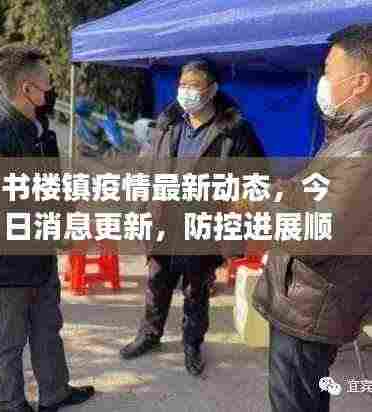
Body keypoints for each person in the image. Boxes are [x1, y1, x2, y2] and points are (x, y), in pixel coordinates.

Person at [0, 45, 95, 412]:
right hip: (4, 260)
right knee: (9, 340)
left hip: (38, 252)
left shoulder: (37, 127)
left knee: (47, 327)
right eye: (47, 83)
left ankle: (55, 393)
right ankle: (11, 404)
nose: (51, 89)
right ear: (27, 89)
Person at [252, 24, 372, 412]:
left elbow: (319, 235)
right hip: (308, 300)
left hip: (312, 306)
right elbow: (321, 194)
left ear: (360, 82)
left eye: (328, 71)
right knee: (307, 394)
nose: (322, 81)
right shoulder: (347, 135)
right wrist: (283, 191)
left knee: (293, 400)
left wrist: (262, 204)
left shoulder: (362, 147)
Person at [120, 59, 264, 376]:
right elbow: (146, 166)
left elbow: (255, 176)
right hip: (163, 219)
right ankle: (149, 335)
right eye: (182, 85)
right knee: (156, 282)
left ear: (211, 89)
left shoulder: (234, 131)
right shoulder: (168, 123)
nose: (186, 92)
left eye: (194, 85)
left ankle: (192, 344)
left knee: (196, 290)